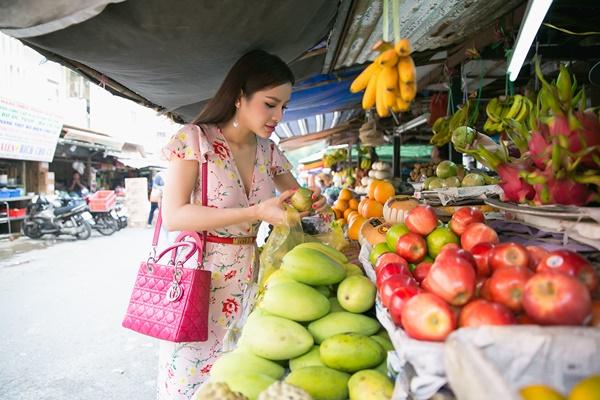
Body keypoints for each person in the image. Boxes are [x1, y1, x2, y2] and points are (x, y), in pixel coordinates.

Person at [157, 49, 327, 398]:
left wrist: (310, 203)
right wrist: (253, 213)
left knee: (243, 378)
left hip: (252, 276)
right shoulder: (194, 139)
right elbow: (174, 215)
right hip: (200, 278)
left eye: (284, 106)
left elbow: (294, 198)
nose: (278, 115)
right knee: (194, 381)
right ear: (239, 97)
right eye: (270, 103)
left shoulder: (270, 151)